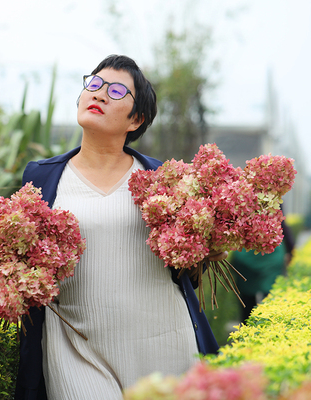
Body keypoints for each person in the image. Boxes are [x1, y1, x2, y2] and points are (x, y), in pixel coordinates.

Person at [15, 55, 226, 400]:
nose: (98, 94)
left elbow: (188, 263)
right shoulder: (41, 176)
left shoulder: (165, 180)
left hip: (164, 343)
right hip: (77, 350)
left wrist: (210, 245)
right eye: (94, 84)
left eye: (115, 91)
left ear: (136, 119)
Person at [231, 212, 295, 323]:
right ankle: (266, 331)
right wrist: (291, 250)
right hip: (266, 251)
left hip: (250, 251)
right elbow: (281, 223)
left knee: (248, 303)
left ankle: (248, 333)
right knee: (270, 297)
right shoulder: (272, 196)